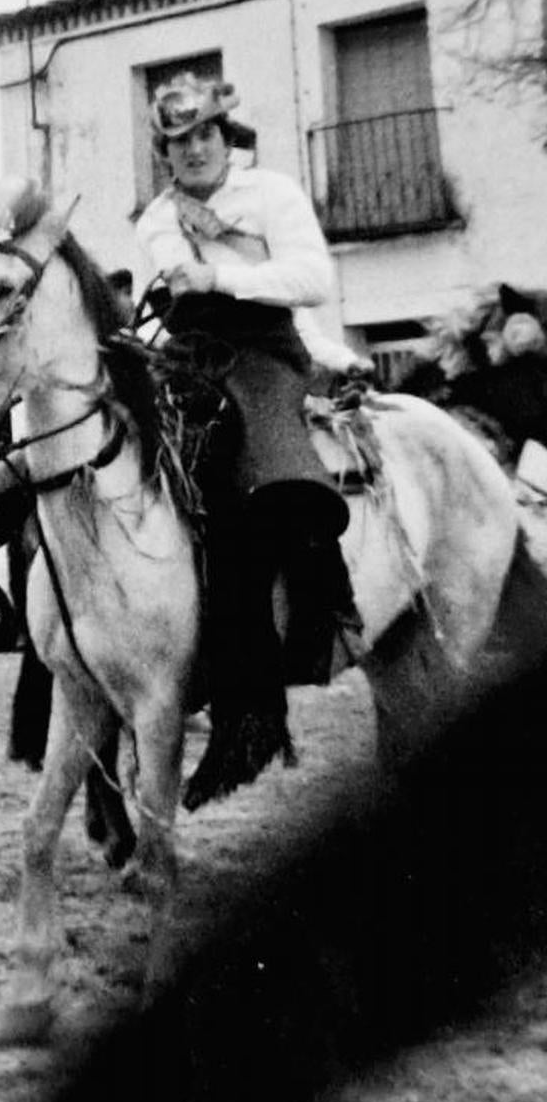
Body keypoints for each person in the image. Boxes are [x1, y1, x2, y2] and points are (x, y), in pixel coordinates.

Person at [135, 72, 363, 807]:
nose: (195, 149)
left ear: (225, 135)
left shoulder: (271, 195)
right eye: (179, 140)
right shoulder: (156, 219)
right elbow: (164, 300)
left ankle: (273, 676)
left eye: (206, 134)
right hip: (190, 356)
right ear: (164, 152)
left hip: (265, 351)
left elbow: (312, 278)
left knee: (265, 476)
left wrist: (217, 275)